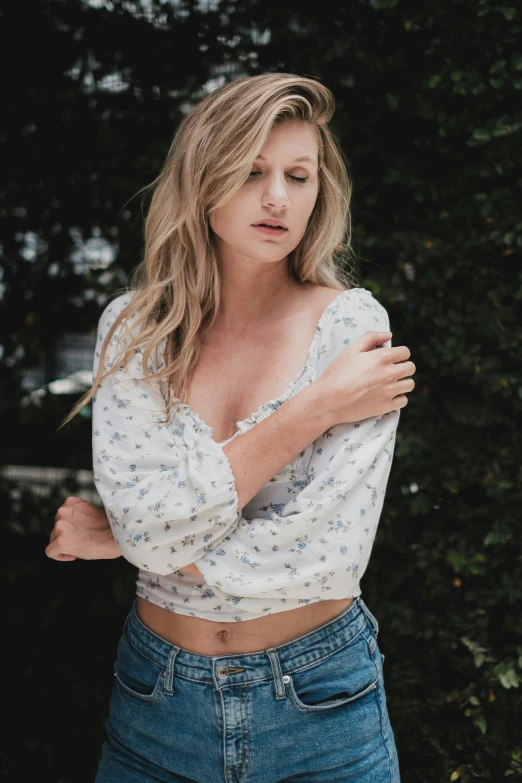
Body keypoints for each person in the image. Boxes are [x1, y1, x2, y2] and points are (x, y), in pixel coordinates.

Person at [47, 73, 415, 782]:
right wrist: (315, 408)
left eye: (298, 175)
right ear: (202, 178)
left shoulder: (350, 328)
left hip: (321, 709)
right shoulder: (135, 331)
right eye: (251, 170)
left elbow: (324, 561)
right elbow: (154, 529)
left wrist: (126, 539)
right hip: (156, 709)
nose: (278, 197)